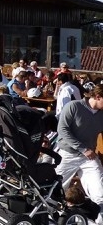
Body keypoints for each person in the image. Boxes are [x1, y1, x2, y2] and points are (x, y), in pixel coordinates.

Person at [55, 84, 103, 224]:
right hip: (67, 154)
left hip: (89, 157)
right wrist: (82, 148)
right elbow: (62, 130)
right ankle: (55, 216)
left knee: (99, 191)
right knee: (57, 189)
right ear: (98, 97)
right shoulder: (74, 106)